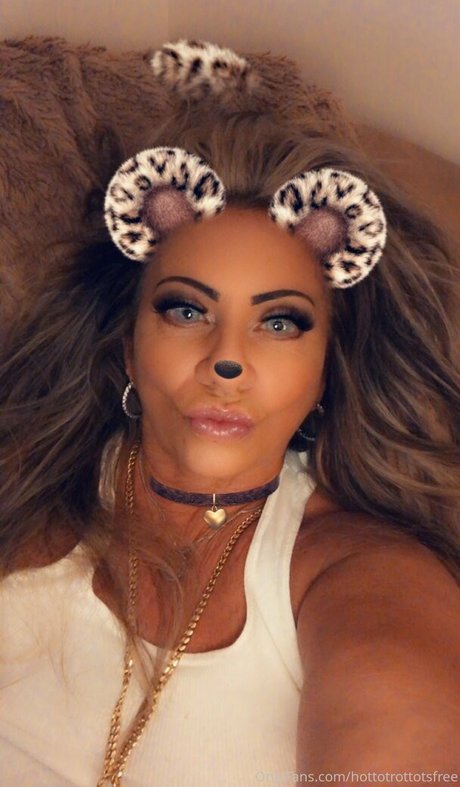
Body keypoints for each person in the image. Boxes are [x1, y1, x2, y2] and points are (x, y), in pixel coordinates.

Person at [1, 39, 460, 787]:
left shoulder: (361, 578)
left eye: (280, 322)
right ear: (128, 347)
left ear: (327, 371)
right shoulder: (26, 487)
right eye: (187, 310)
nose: (227, 360)